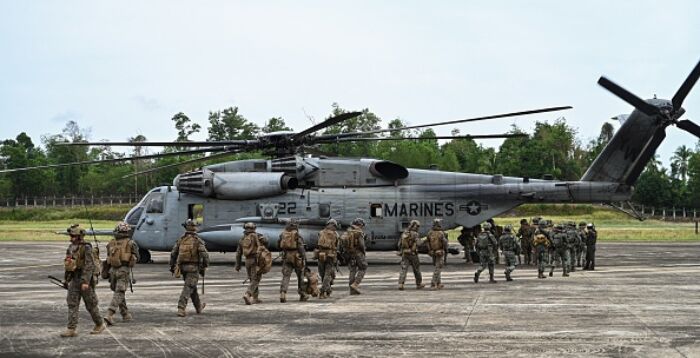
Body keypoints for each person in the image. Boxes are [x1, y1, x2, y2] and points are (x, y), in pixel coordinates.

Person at [60, 224, 105, 337]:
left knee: (91, 304)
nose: (71, 238)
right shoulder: (70, 248)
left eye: (74, 236)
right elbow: (68, 265)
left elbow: (89, 265)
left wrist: (85, 281)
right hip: (74, 279)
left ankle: (99, 324)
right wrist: (67, 280)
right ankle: (71, 329)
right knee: (72, 303)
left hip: (86, 279)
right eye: (71, 236)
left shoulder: (86, 247)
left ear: (80, 236)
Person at [170, 219, 209, 317]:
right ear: (195, 228)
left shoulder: (181, 239)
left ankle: (198, 307)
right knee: (188, 287)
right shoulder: (198, 240)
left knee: (192, 287)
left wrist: (172, 266)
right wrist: (205, 266)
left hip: (182, 268)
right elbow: (204, 255)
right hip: (193, 268)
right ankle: (181, 307)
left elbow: (173, 254)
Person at [103, 222, 139, 326]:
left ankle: (125, 313)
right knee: (119, 292)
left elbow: (108, 256)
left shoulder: (111, 243)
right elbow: (138, 256)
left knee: (118, 292)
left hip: (112, 271)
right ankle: (110, 314)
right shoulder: (131, 243)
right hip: (123, 270)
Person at [235, 222, 269, 305]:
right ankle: (248, 294)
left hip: (247, 261)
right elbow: (266, 242)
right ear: (254, 228)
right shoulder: (257, 236)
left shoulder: (242, 238)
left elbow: (238, 253)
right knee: (256, 279)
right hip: (255, 260)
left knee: (252, 279)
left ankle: (255, 298)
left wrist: (238, 265)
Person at [278, 219, 308, 303]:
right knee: (300, 276)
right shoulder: (297, 235)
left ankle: (283, 293)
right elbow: (301, 247)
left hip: (286, 257)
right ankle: (302, 294)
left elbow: (278, 245)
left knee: (286, 276)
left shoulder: (282, 234)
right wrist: (304, 258)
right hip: (297, 257)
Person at [342, 218, 368, 295]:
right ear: (360, 224)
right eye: (362, 225)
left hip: (349, 253)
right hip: (358, 253)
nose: (362, 227)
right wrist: (364, 252)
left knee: (352, 270)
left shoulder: (348, 231)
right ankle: (355, 284)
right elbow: (362, 245)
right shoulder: (359, 232)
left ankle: (352, 290)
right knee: (363, 267)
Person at [398, 220, 425, 290]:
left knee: (404, 269)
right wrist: (424, 240)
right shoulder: (415, 234)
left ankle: (401, 284)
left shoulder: (404, 233)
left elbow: (399, 244)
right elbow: (419, 244)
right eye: (417, 226)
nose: (418, 228)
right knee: (417, 270)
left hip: (405, 253)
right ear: (414, 226)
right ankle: (419, 284)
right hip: (413, 254)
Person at [316, 218, 339, 299]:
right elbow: (337, 246)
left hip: (321, 255)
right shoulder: (335, 234)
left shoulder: (320, 232)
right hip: (330, 255)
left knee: (322, 273)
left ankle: (328, 290)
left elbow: (317, 243)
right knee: (327, 274)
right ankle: (323, 292)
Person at [426, 219, 448, 289]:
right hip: (439, 252)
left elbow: (427, 242)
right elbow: (445, 243)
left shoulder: (430, 233)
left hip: (433, 252)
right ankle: (433, 283)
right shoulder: (441, 233)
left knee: (436, 266)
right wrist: (445, 250)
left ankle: (439, 283)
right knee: (438, 268)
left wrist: (430, 250)